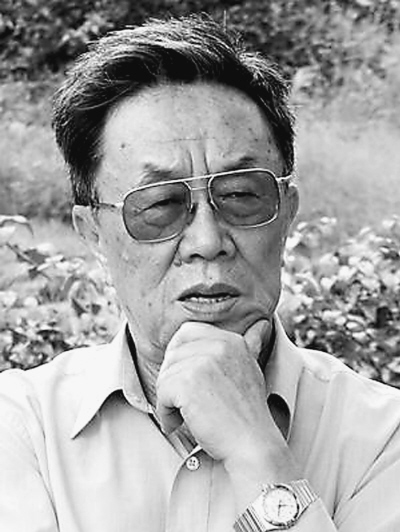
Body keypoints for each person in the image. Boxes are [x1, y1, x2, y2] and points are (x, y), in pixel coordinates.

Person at [0, 14, 400, 532]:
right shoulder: (24, 427)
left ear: (287, 214)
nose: (207, 241)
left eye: (241, 195)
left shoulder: (383, 437)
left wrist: (258, 453)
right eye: (159, 205)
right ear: (93, 233)